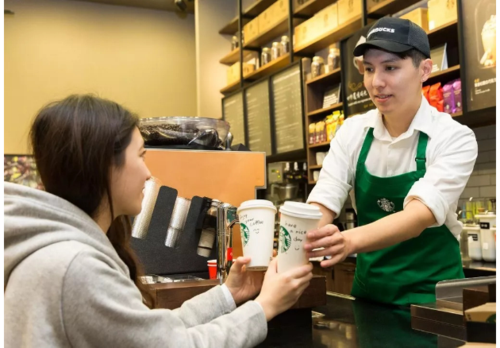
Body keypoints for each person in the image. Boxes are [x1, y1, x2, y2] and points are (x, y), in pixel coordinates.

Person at [4, 94, 313, 348]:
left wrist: (227, 295)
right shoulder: (75, 266)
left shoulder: (60, 252)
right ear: (105, 166)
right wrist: (266, 306)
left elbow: (151, 334)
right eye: (140, 156)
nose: (148, 173)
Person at [304, 17, 478, 306]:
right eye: (369, 69)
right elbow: (324, 198)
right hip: (370, 297)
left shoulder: (453, 137)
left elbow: (416, 218)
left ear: (424, 69)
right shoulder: (352, 132)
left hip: (435, 301)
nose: (376, 82)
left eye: (391, 68)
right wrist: (301, 240)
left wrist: (346, 241)